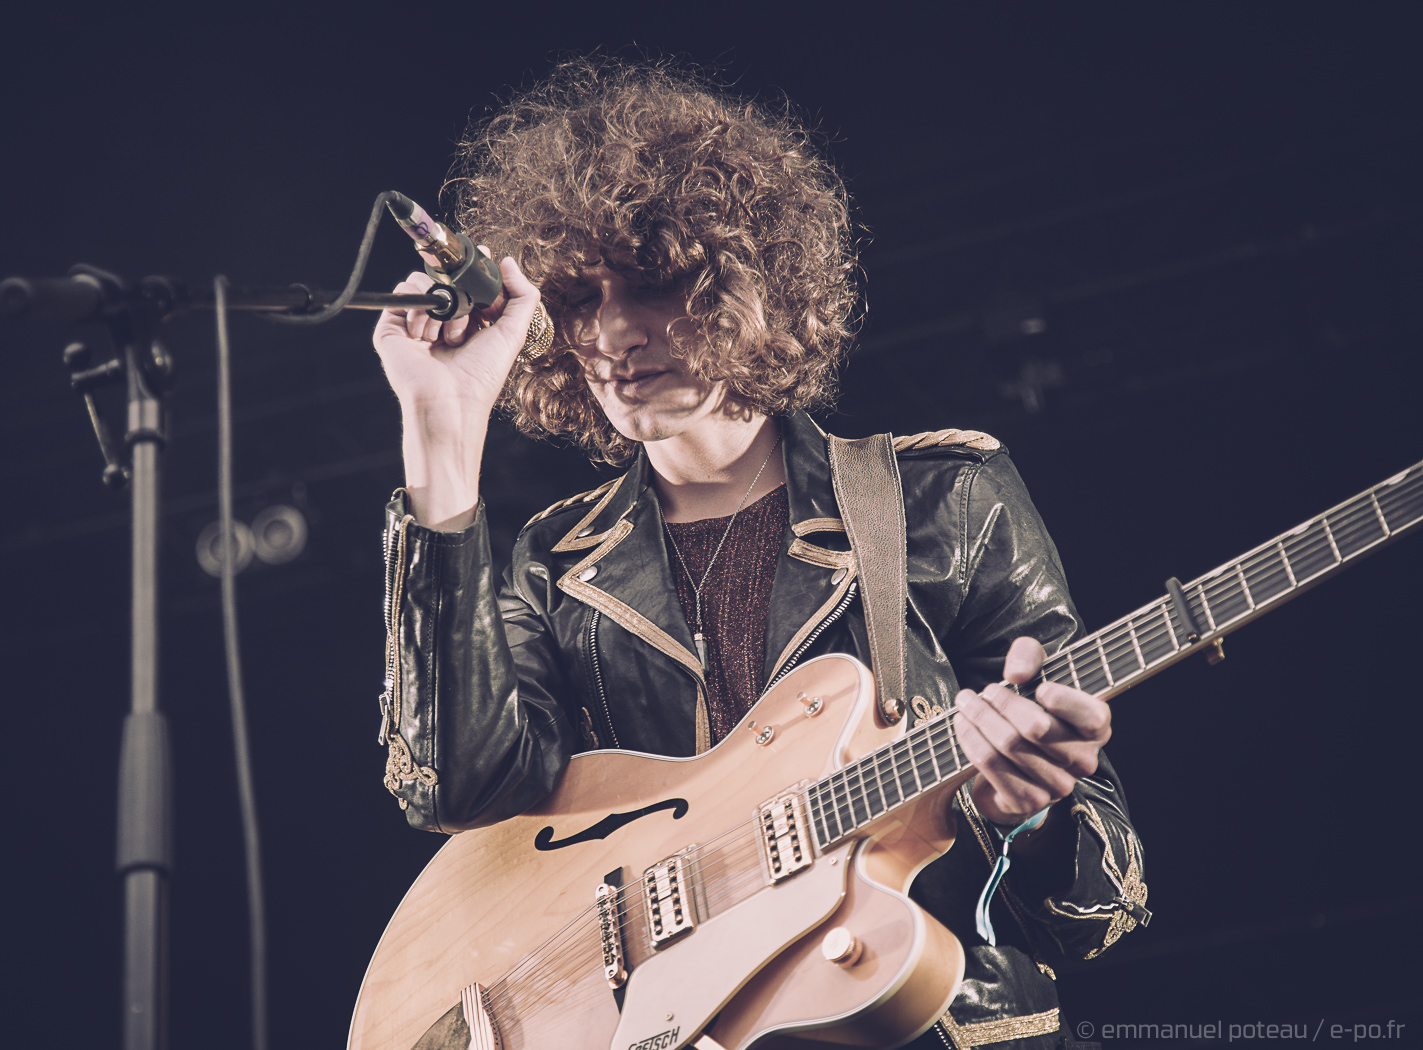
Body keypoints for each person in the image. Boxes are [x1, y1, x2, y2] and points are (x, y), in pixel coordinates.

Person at [372, 58, 1146, 1050]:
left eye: (653, 283)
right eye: (577, 299)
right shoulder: (551, 564)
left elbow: (1100, 909)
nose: (613, 332)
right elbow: (452, 789)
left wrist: (1025, 817)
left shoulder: (943, 501)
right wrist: (439, 433)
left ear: (750, 283)